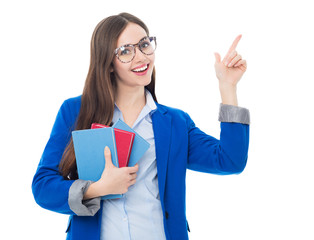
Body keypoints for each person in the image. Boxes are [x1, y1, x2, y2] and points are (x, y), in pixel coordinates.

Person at [32, 12, 250, 240]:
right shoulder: (76, 111)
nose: (141, 57)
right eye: (126, 51)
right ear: (107, 64)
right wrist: (97, 188)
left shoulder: (175, 122)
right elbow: (43, 187)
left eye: (144, 44)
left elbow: (230, 160)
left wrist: (228, 88)